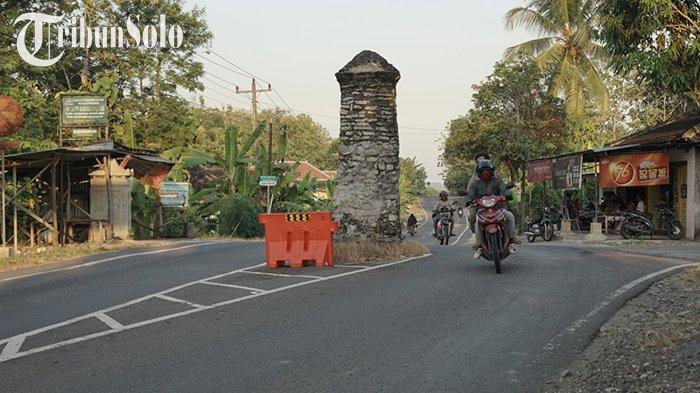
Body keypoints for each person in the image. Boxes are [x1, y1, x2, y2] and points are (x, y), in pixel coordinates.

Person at [465, 159, 521, 259]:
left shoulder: (498, 181)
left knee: (510, 215)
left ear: (491, 171)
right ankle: (479, 245)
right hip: (481, 209)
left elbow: (504, 190)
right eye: (483, 171)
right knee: (476, 220)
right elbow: (470, 194)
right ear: (479, 173)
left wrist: (506, 196)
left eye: (487, 170)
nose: (485, 173)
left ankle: (511, 239)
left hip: (499, 207)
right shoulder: (475, 184)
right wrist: (469, 200)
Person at [467, 152, 490, 233]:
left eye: (483, 161)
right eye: (478, 162)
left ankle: (512, 236)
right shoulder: (473, 179)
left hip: (496, 204)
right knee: (472, 216)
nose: (481, 164)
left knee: (511, 213)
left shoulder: (496, 176)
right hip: (479, 205)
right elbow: (469, 192)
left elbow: (502, 188)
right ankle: (477, 237)